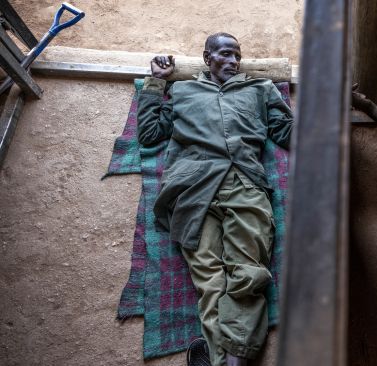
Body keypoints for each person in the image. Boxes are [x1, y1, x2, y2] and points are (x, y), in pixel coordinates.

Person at [137, 32, 293, 366]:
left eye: (237, 55)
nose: (233, 62)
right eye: (224, 54)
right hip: (192, 188)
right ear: (207, 58)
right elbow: (149, 135)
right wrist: (155, 83)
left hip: (245, 184)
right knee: (210, 279)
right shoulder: (182, 90)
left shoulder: (259, 88)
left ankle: (225, 361)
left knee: (248, 273)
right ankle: (231, 360)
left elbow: (286, 132)